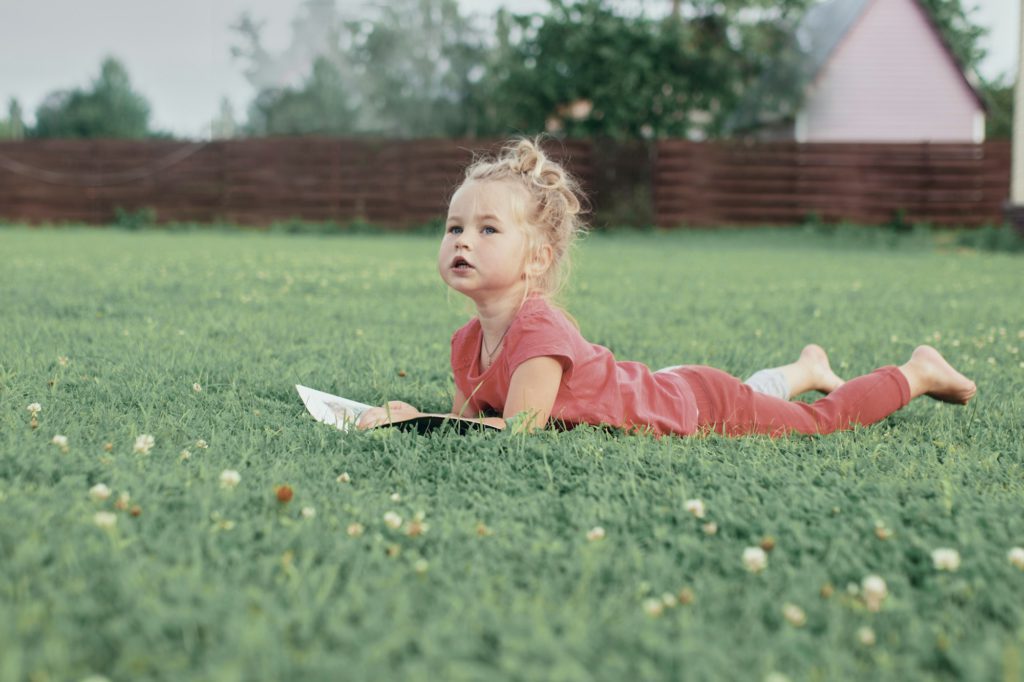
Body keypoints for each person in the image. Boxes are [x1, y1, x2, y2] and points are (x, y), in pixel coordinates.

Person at [358, 139, 976, 436]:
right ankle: (804, 365)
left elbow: (514, 432)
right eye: (454, 227)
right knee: (756, 398)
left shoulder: (540, 333)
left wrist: (412, 420)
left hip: (697, 405)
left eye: (487, 229)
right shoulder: (469, 342)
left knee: (815, 425)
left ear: (537, 259)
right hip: (662, 386)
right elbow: (471, 421)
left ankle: (916, 372)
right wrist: (425, 420)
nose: (462, 240)